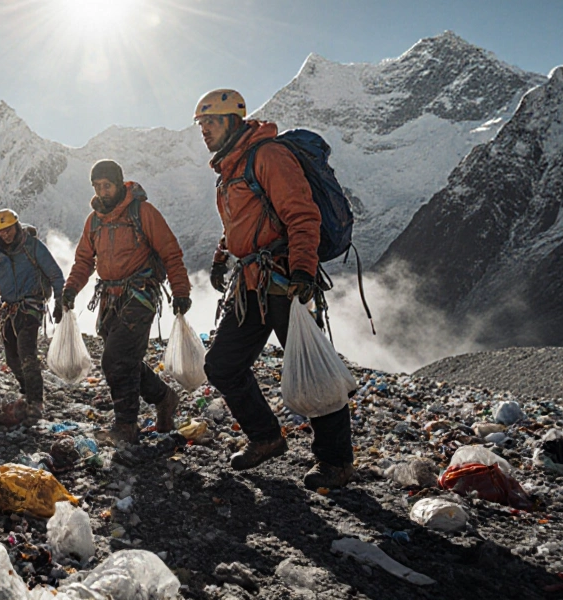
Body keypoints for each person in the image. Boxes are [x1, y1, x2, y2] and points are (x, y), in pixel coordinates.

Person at [195, 88, 355, 490]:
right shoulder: (230, 168)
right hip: (251, 283)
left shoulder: (268, 156)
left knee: (313, 368)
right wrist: (221, 256)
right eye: (201, 123)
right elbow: (240, 223)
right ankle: (266, 437)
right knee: (222, 365)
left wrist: (302, 270)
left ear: (234, 120)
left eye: (211, 121)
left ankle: (335, 462)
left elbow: (302, 214)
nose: (204, 130)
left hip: (283, 281)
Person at [61, 160, 190, 444]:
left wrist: (181, 290)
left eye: (107, 185)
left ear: (120, 184)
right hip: (110, 298)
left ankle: (126, 427)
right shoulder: (94, 220)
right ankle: (165, 398)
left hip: (139, 294)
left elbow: (170, 252)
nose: (102, 191)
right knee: (124, 360)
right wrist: (71, 289)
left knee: (115, 358)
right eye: (97, 186)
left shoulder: (142, 212)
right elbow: (84, 259)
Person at [0, 208, 65, 424]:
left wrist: (60, 301)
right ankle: (27, 389)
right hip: (8, 309)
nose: (6, 234)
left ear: (16, 225)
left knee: (27, 353)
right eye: (1, 231)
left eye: (9, 229)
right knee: (12, 358)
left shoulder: (32, 246)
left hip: (30, 307)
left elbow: (55, 274)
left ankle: (35, 402)